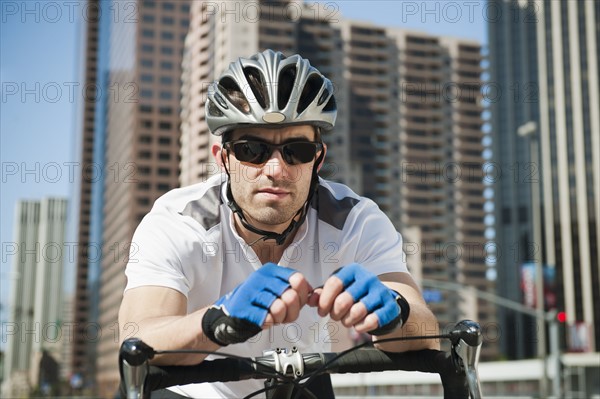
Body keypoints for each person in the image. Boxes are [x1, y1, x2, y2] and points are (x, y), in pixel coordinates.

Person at [118, 49, 439, 398]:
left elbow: (427, 332)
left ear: (318, 159)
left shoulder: (355, 220)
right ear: (223, 158)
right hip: (193, 387)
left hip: (301, 379)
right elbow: (138, 340)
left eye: (296, 151)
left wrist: (396, 312)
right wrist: (218, 321)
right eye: (251, 150)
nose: (275, 169)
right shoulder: (180, 221)